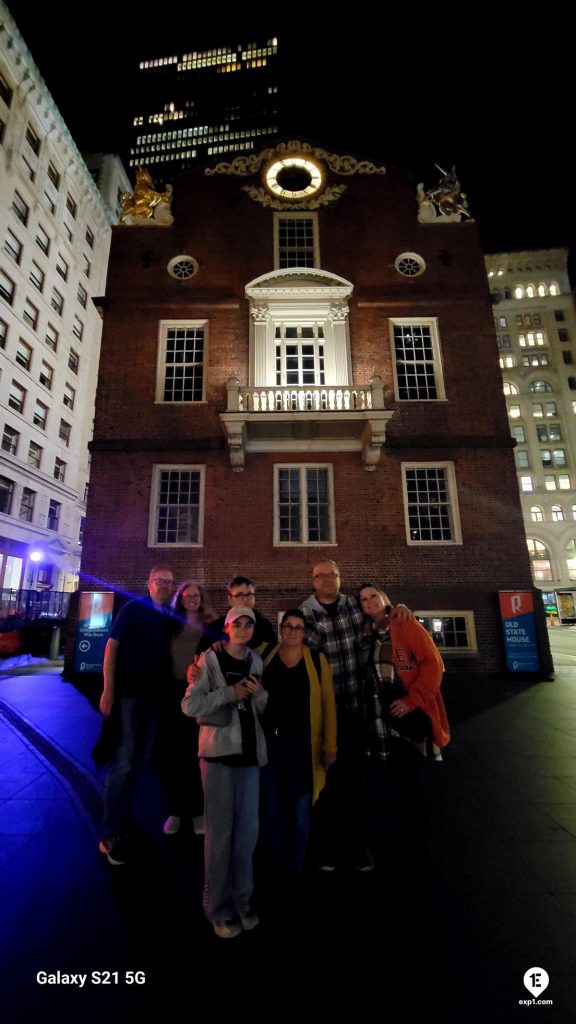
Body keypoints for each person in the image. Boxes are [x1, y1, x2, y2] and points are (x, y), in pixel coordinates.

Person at [300, 559, 412, 872]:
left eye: (332, 575)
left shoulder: (353, 605)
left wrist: (398, 607)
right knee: (324, 782)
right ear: (313, 580)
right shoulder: (306, 612)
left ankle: (354, 844)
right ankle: (324, 845)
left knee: (353, 780)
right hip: (325, 711)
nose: (326, 580)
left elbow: (380, 614)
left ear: (339, 578)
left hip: (355, 708)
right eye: (320, 575)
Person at [182, 607, 267, 939]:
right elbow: (189, 706)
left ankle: (243, 900)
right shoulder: (208, 661)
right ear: (227, 627)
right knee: (220, 836)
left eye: (249, 624)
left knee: (247, 835)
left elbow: (261, 707)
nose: (243, 629)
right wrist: (230, 694)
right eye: (237, 623)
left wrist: (259, 695)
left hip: (249, 756)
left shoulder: (256, 662)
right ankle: (217, 905)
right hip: (218, 756)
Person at [357, 583, 450, 858]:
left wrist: (413, 700)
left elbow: (433, 664)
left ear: (386, 599)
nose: (370, 601)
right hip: (376, 720)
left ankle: (416, 845)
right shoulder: (366, 635)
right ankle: (391, 843)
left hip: (404, 716)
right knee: (384, 783)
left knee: (410, 782)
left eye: (374, 595)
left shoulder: (405, 625)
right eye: (364, 599)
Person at [98, 565, 176, 866]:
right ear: (150, 582)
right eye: (160, 581)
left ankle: (125, 820)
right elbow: (111, 649)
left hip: (154, 700)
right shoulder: (133, 610)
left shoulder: (168, 616)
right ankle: (111, 834)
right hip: (129, 697)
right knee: (123, 762)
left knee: (139, 761)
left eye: (169, 582)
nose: (165, 586)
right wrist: (108, 690)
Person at [259, 609, 337, 901]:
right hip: (271, 744)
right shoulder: (264, 653)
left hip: (304, 745)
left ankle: (295, 868)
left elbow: (328, 704)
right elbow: (231, 652)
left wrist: (331, 745)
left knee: (301, 809)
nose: (292, 631)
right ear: (281, 629)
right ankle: (275, 866)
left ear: (305, 631)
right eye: (288, 626)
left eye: (298, 627)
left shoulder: (316, 660)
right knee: (273, 807)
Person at [159, 580, 216, 837]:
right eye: (186, 596)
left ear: (202, 598)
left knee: (198, 754)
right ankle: (176, 810)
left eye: (196, 595)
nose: (192, 599)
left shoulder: (211, 624)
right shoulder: (171, 623)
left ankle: (199, 810)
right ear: (180, 599)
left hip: (199, 692)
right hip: (172, 691)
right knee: (173, 754)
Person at [197, 575, 277, 654]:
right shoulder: (215, 629)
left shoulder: (265, 626)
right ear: (229, 599)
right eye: (239, 595)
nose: (245, 599)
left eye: (249, 594)